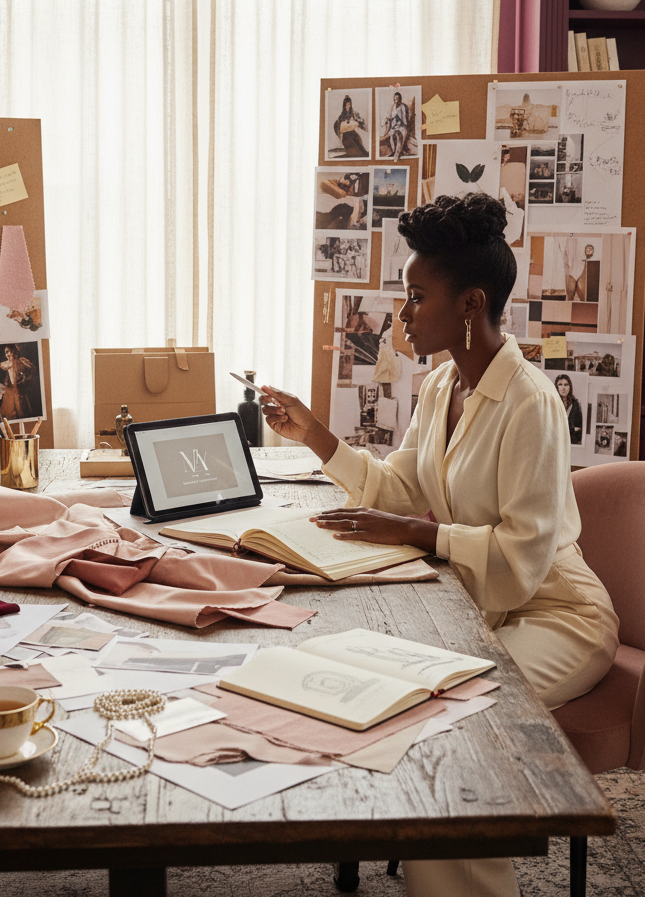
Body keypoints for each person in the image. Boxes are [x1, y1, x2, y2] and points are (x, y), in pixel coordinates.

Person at [259, 192, 618, 897]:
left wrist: (421, 534)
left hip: (557, 616)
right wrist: (315, 436)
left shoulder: (532, 403)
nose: (401, 315)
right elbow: (398, 488)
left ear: (469, 304)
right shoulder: (441, 385)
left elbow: (521, 555)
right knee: (377, 690)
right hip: (483, 608)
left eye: (416, 297)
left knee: (449, 719)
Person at [0, 342, 38, 420]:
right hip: (9, 394)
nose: (8, 354)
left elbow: (33, 369)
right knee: (8, 414)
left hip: (19, 393)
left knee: (22, 413)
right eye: (6, 352)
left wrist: (25, 378)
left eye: (10, 351)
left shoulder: (22, 360)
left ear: (14, 351)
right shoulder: (6, 363)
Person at [553, 373, 583, 445]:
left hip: (571, 443)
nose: (563, 388)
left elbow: (580, 428)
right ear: (557, 387)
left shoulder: (576, 404)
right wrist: (572, 429)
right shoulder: (553, 404)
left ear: (570, 387)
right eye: (560, 385)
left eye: (566, 384)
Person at [383, 91, 411, 161]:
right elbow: (389, 119)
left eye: (398, 99)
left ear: (400, 99)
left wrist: (405, 124)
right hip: (394, 127)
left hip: (402, 127)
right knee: (392, 137)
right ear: (393, 99)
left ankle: (397, 154)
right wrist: (386, 131)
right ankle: (395, 151)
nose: (397, 101)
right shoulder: (392, 108)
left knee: (399, 136)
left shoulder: (404, 107)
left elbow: (407, 118)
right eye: (395, 99)